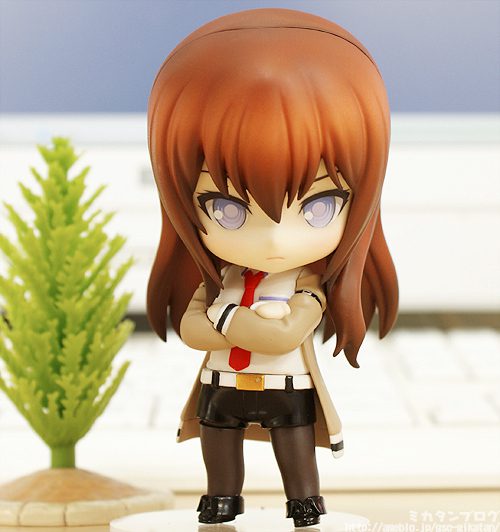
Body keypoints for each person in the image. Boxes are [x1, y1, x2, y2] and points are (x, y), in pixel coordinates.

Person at [146, 8, 398, 527]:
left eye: (319, 206)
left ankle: (303, 503)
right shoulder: (222, 279)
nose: (277, 240)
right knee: (218, 447)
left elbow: (283, 336)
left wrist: (223, 319)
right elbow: (193, 332)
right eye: (227, 209)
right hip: (223, 385)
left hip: (287, 389)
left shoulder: (308, 284)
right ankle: (222, 499)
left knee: (295, 453)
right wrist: (239, 324)